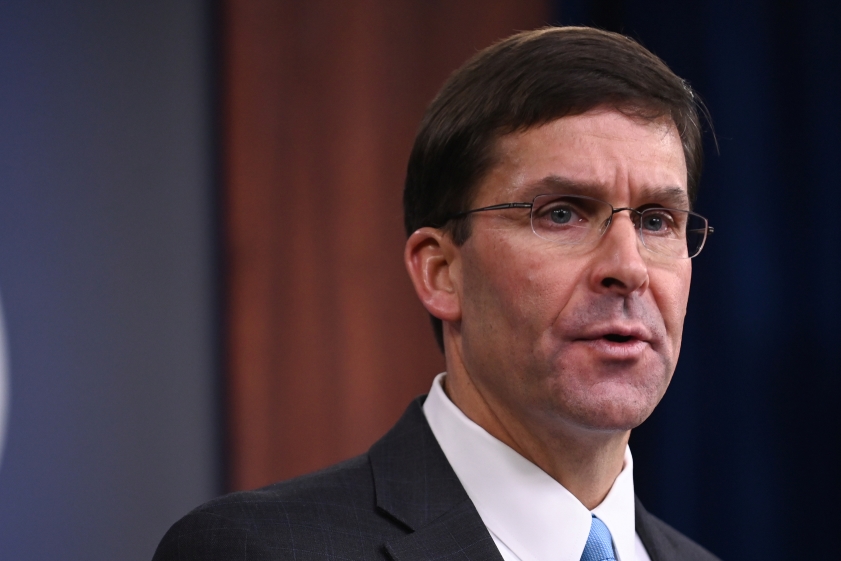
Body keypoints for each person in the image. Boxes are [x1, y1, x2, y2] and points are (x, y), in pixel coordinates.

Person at [153, 26, 719, 561]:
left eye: (655, 221)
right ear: (442, 272)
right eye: (562, 213)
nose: (629, 267)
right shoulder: (257, 550)